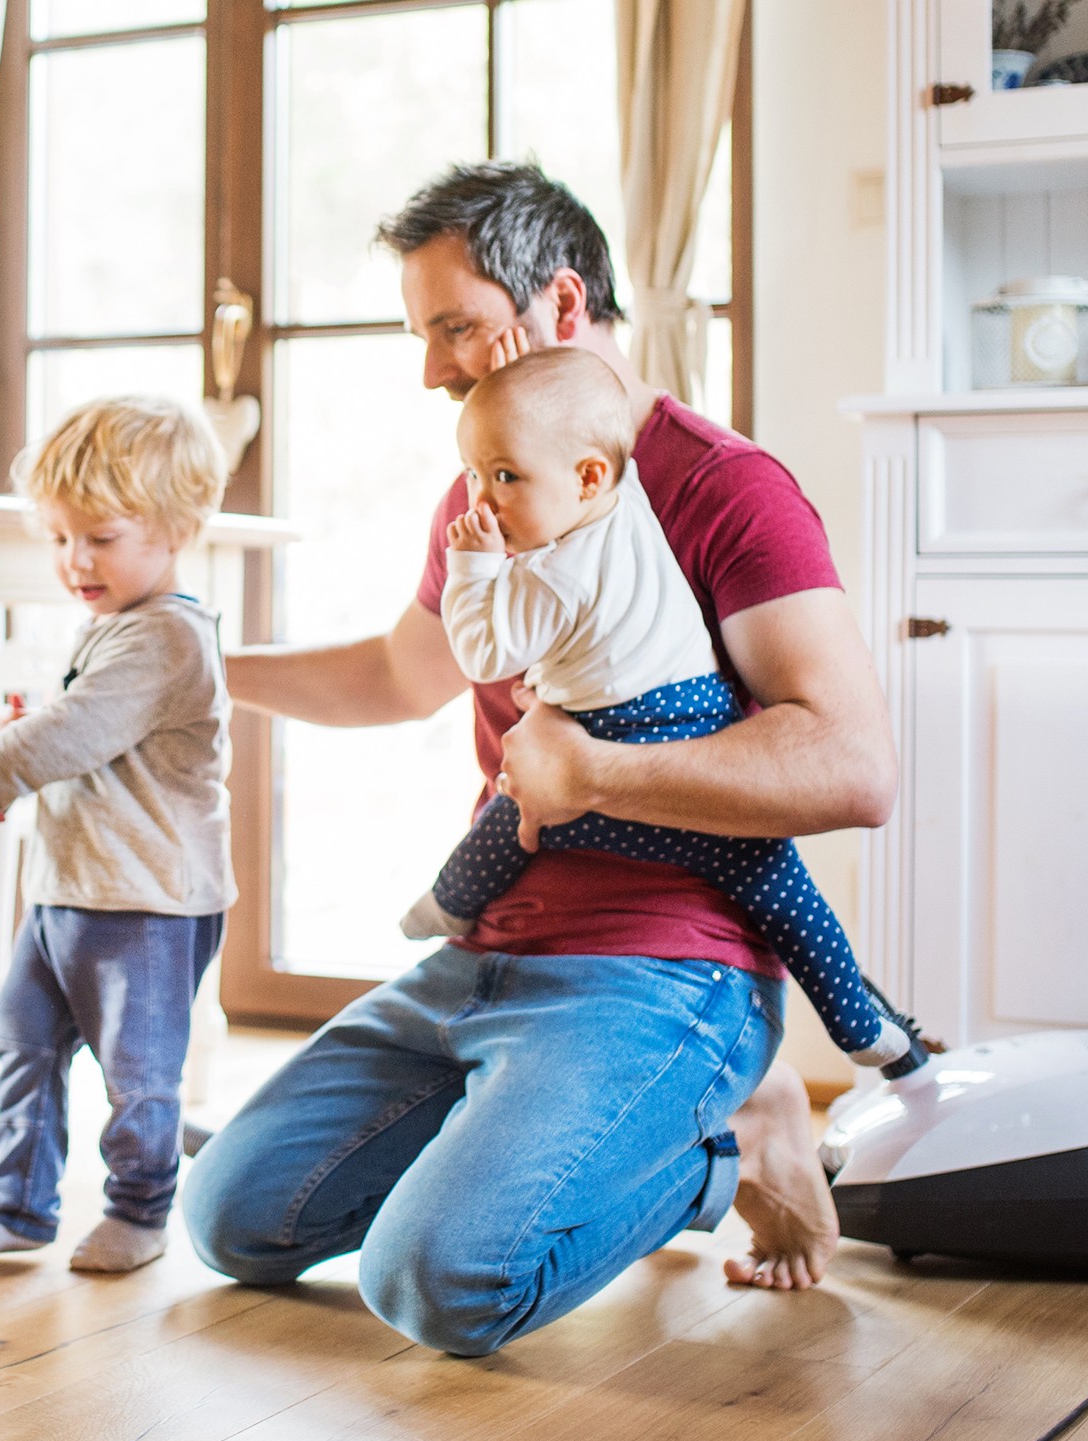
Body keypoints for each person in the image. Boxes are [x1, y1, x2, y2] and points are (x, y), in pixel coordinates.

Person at [184, 161, 895, 1356]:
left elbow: (850, 765)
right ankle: (552, 1126)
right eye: (422, 336)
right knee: (234, 1223)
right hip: (489, 952)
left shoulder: (725, 489)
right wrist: (196, 664)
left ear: (563, 307)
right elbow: (396, 677)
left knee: (439, 1284)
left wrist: (601, 776)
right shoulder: (489, 491)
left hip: (664, 965)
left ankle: (733, 1135)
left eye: (453, 327)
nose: (430, 369)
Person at [398, 346, 912, 1070]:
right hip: (694, 711)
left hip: (615, 743)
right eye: (475, 476)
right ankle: (866, 1029)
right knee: (784, 895)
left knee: (513, 820)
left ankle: (448, 903)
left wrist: (475, 568)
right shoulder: (626, 494)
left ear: (586, 475)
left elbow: (484, 653)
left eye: (503, 476)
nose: (478, 501)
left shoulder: (553, 576)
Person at [0, 394, 236, 1277]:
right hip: (67, 885)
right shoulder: (114, 625)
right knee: (23, 1035)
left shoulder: (168, 637)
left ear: (177, 526)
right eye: (60, 538)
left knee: (136, 1069)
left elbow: (71, 734)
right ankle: (17, 1204)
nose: (75, 560)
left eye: (99, 537)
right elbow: (72, 728)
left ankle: (141, 1210)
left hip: (145, 900)